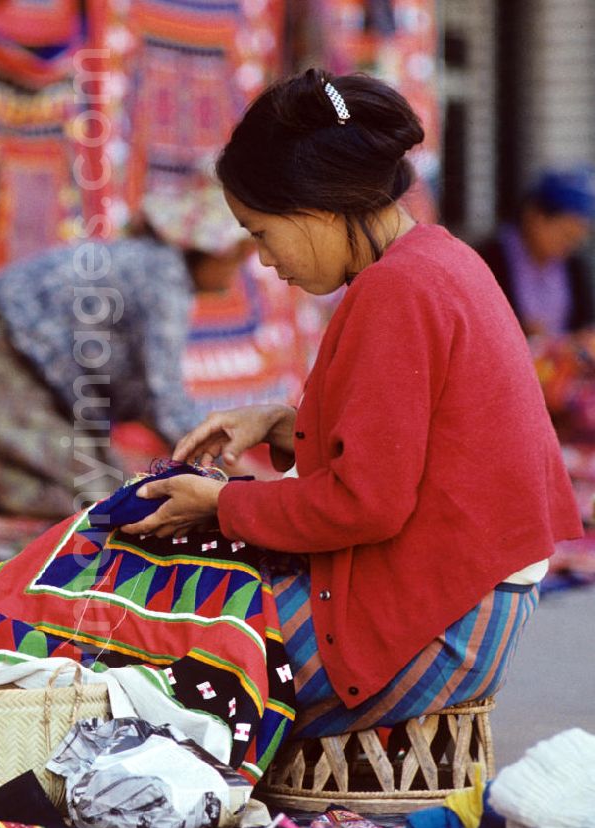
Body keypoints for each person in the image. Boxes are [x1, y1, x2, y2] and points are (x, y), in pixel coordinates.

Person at [115, 68, 583, 739]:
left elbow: (366, 501)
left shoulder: (396, 291)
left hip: (436, 626)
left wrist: (220, 502)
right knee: (179, 600)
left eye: (262, 232)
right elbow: (406, 447)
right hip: (467, 601)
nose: (264, 260)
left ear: (319, 208)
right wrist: (280, 425)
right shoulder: (436, 259)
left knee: (146, 651)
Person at [0, 180, 252, 517]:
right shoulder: (164, 278)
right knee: (97, 494)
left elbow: (144, 399)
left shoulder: (149, 263)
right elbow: (167, 403)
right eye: (238, 259)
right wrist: (240, 475)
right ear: (216, 252)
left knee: (106, 476)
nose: (234, 276)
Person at [476, 167, 595, 339]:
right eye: (565, 234)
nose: (570, 245)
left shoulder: (573, 264)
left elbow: (584, 324)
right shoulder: (490, 258)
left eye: (576, 238)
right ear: (535, 217)